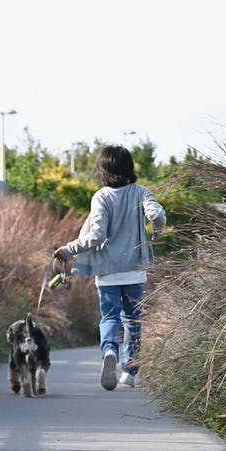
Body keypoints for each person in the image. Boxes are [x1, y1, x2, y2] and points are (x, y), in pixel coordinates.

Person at [53, 144, 166, 391]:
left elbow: (95, 236)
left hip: (107, 271)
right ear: (129, 167)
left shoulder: (101, 197)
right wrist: (156, 232)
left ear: (103, 170)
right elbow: (157, 214)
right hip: (135, 270)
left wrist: (67, 250)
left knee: (110, 317)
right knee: (134, 319)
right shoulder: (141, 192)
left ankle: (109, 353)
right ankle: (130, 371)